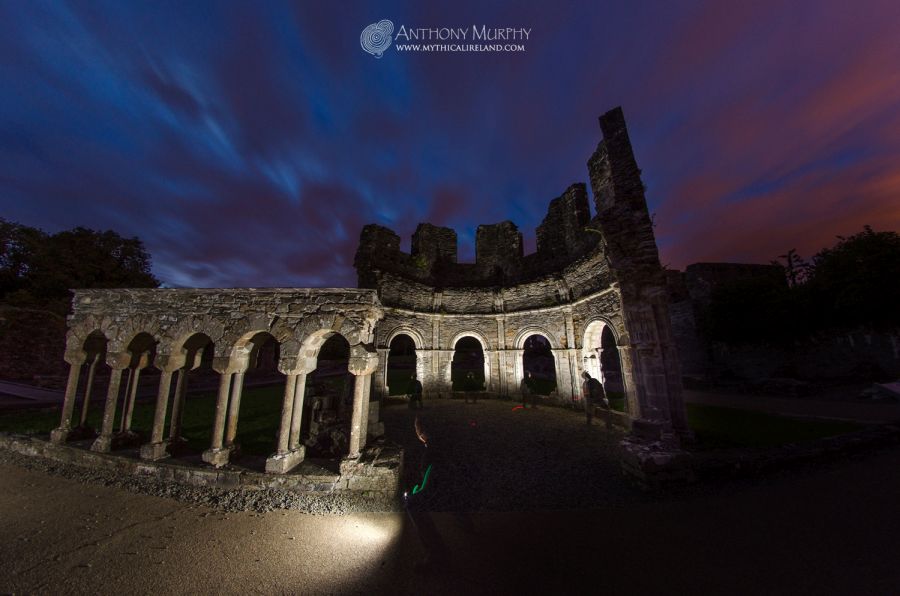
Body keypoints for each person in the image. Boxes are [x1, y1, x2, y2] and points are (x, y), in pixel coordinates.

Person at [404, 415, 448, 573]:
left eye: (416, 428)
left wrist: (416, 493)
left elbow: (431, 477)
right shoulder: (438, 445)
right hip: (455, 487)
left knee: (413, 504)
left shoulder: (432, 451)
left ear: (422, 433)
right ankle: (466, 523)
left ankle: (436, 556)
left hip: (447, 490)